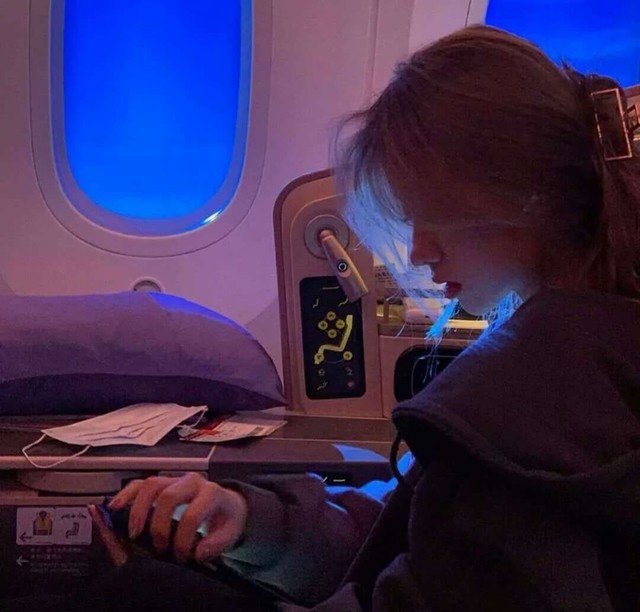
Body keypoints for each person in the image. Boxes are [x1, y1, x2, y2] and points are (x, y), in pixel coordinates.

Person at [3, 23, 640, 611]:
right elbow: (406, 541)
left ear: (523, 200)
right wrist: (253, 523)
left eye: (434, 215)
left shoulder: (531, 404)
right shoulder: (586, 355)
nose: (418, 251)